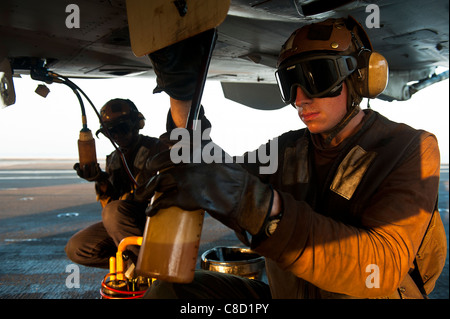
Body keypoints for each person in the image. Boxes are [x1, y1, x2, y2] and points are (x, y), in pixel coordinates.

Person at [138, 17, 447, 299]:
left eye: (318, 76)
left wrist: (258, 206)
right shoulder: (289, 150)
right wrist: (182, 94)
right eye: (290, 82)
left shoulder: (409, 148)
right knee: (171, 295)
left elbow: (379, 269)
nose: (300, 99)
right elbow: (213, 171)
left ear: (360, 78)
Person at [65, 98, 166, 269]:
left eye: (122, 128)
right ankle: (131, 264)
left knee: (114, 212)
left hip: (155, 219)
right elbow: (111, 205)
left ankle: (149, 269)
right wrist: (100, 179)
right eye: (110, 132)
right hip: (124, 223)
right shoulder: (113, 158)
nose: (117, 135)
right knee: (77, 248)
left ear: (137, 124)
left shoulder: (157, 148)